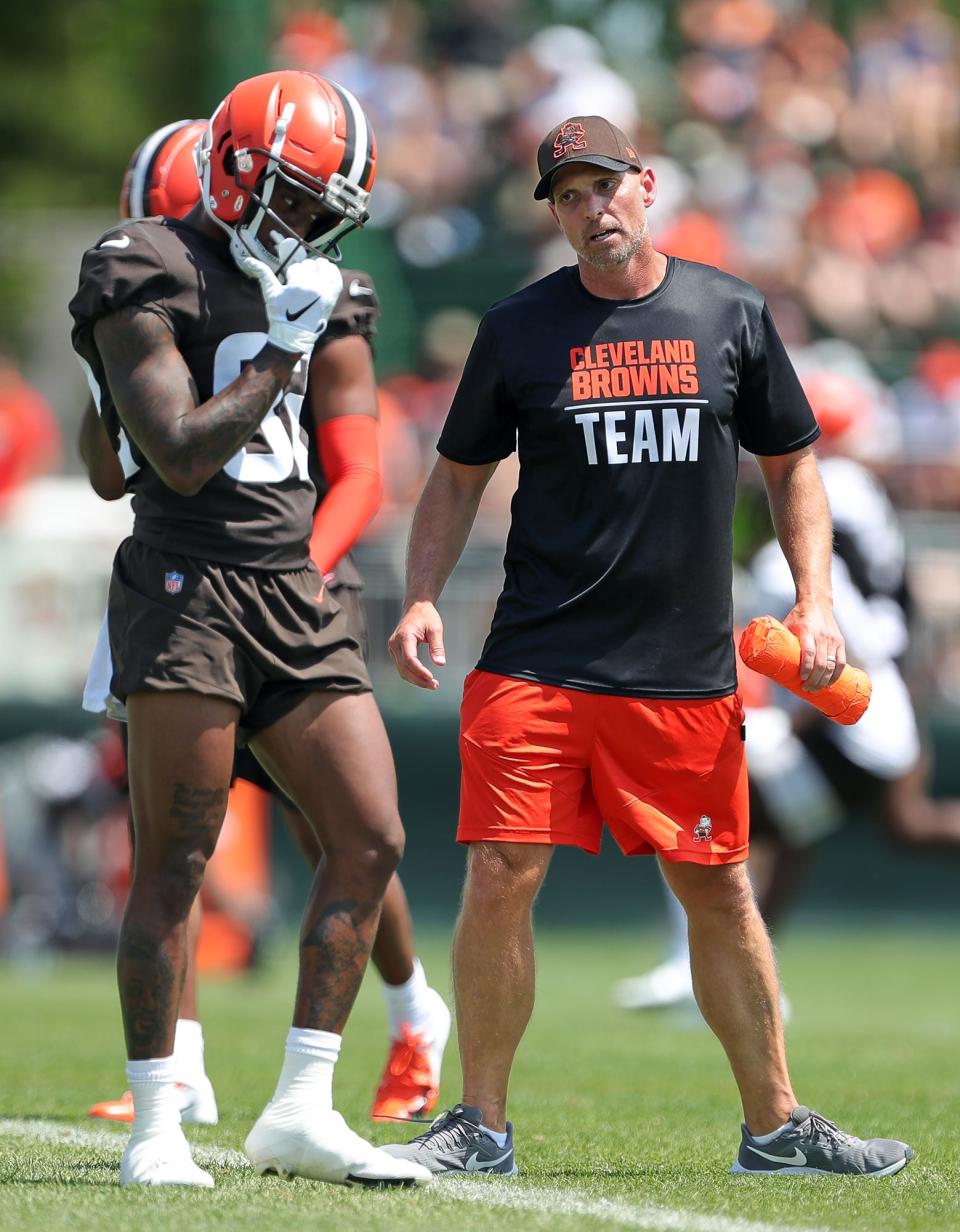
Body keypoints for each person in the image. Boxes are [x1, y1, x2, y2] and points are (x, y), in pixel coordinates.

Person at [383, 115, 913, 1178]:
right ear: (557, 213)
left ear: (646, 185)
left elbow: (793, 466)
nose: (592, 210)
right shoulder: (519, 328)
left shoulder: (730, 311)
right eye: (569, 196)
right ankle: (478, 1123)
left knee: (717, 886)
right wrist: (421, 595)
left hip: (680, 668)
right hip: (534, 653)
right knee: (499, 870)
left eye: (605, 187)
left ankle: (776, 1125)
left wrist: (816, 603)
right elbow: (454, 477)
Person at [69, 70, 431, 1189]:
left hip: (293, 590)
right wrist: (278, 348)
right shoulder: (144, 264)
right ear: (231, 168)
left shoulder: (334, 286)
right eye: (292, 195)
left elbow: (360, 458)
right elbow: (170, 450)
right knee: (175, 860)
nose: (309, 223)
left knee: (370, 835)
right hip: (186, 584)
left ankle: (302, 1105)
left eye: (327, 205)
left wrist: (304, 328)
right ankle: (158, 1123)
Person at [615, 373, 960, 1011]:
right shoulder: (841, 507)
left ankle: (712, 972)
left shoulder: (826, 509)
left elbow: (849, 631)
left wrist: (802, 712)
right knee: (813, 827)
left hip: (855, 715)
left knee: (710, 815)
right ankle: (743, 978)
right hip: (869, 707)